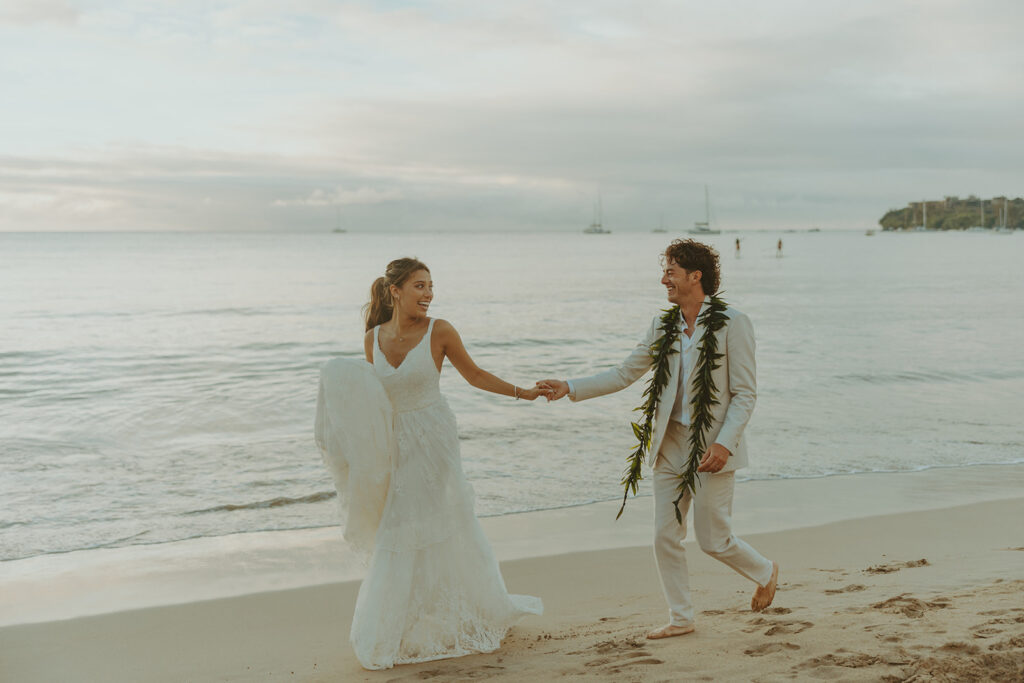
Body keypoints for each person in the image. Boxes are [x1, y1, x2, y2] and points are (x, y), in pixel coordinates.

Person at [538, 239, 778, 640]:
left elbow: (745, 393)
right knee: (664, 535)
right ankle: (681, 617)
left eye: (670, 271)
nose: (663, 279)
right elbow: (624, 373)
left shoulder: (733, 323)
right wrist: (569, 386)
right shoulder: (661, 325)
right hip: (670, 444)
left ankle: (765, 571)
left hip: (713, 444)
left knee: (713, 539)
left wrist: (725, 443)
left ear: (694, 276)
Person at [315, 257, 543, 670]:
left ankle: (463, 607)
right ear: (395, 291)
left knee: (436, 518)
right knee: (398, 524)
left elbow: (473, 375)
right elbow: (370, 401)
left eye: (431, 286)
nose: (429, 294)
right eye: (419, 286)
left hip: (435, 439)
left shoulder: (440, 330)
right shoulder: (372, 338)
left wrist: (522, 393)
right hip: (394, 443)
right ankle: (405, 617)